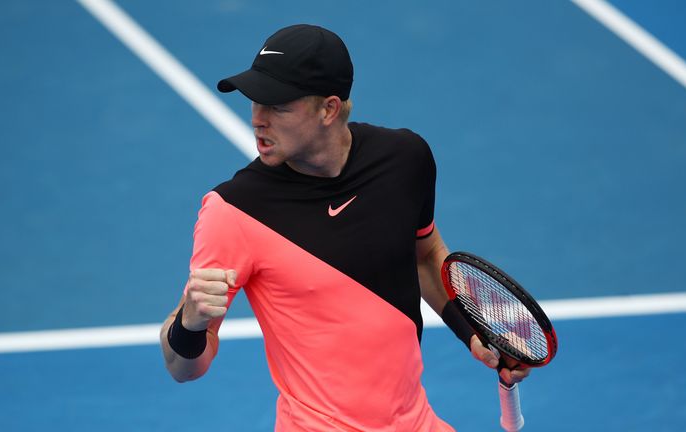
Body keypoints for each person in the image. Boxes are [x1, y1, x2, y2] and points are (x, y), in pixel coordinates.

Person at [160, 24, 530, 431]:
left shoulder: (405, 159)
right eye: (255, 103)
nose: (258, 120)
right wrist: (188, 323)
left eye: (277, 106)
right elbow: (183, 368)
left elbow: (424, 258)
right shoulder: (233, 211)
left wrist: (472, 332)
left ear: (329, 109)